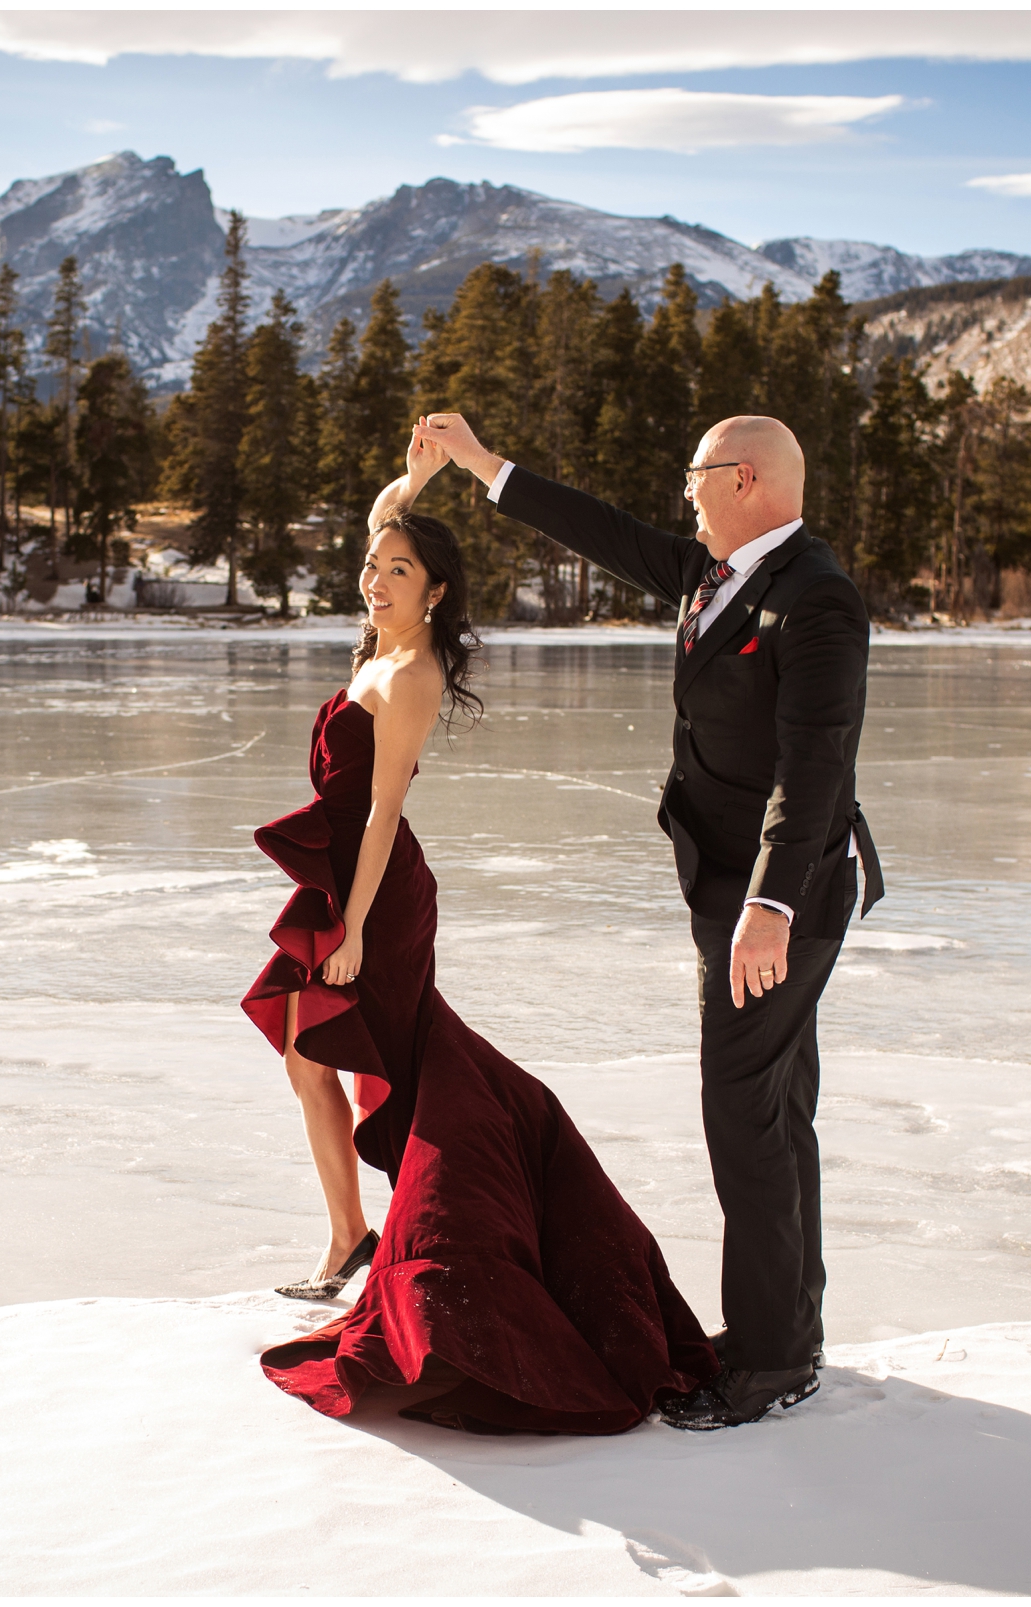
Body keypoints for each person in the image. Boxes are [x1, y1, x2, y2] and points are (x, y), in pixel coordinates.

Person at [243, 432, 717, 1436]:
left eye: (400, 570)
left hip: (377, 889)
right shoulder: (381, 630)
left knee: (406, 1069)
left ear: (438, 591)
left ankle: (423, 1236)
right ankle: (348, 1236)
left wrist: (360, 925)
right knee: (302, 1046)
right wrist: (423, 471)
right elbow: (382, 512)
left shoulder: (408, 672)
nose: (376, 578)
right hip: (341, 876)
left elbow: (380, 812)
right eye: (373, 567)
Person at [417, 409, 881, 1432]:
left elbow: (816, 772)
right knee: (772, 1105)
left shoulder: (816, 596)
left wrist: (768, 903)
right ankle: (783, 1332)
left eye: (696, 475)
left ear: (745, 478)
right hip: (731, 882)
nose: (684, 492)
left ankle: (770, 1360)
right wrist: (485, 466)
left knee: (742, 1113)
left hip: (779, 893)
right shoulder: (715, 572)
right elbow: (604, 529)